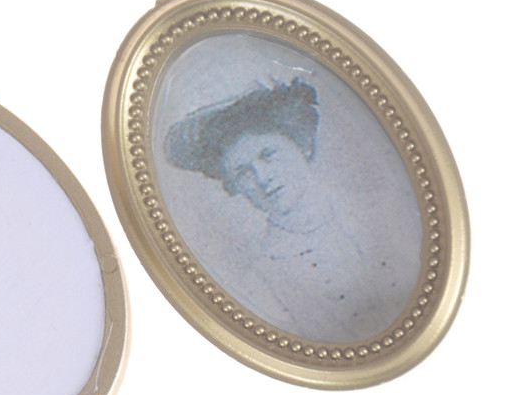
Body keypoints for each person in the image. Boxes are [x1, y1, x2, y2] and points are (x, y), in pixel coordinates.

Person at [164, 79, 406, 342]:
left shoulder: (376, 217)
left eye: (268, 155)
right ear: (233, 187)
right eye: (243, 173)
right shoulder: (263, 279)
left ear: (302, 145)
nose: (262, 178)